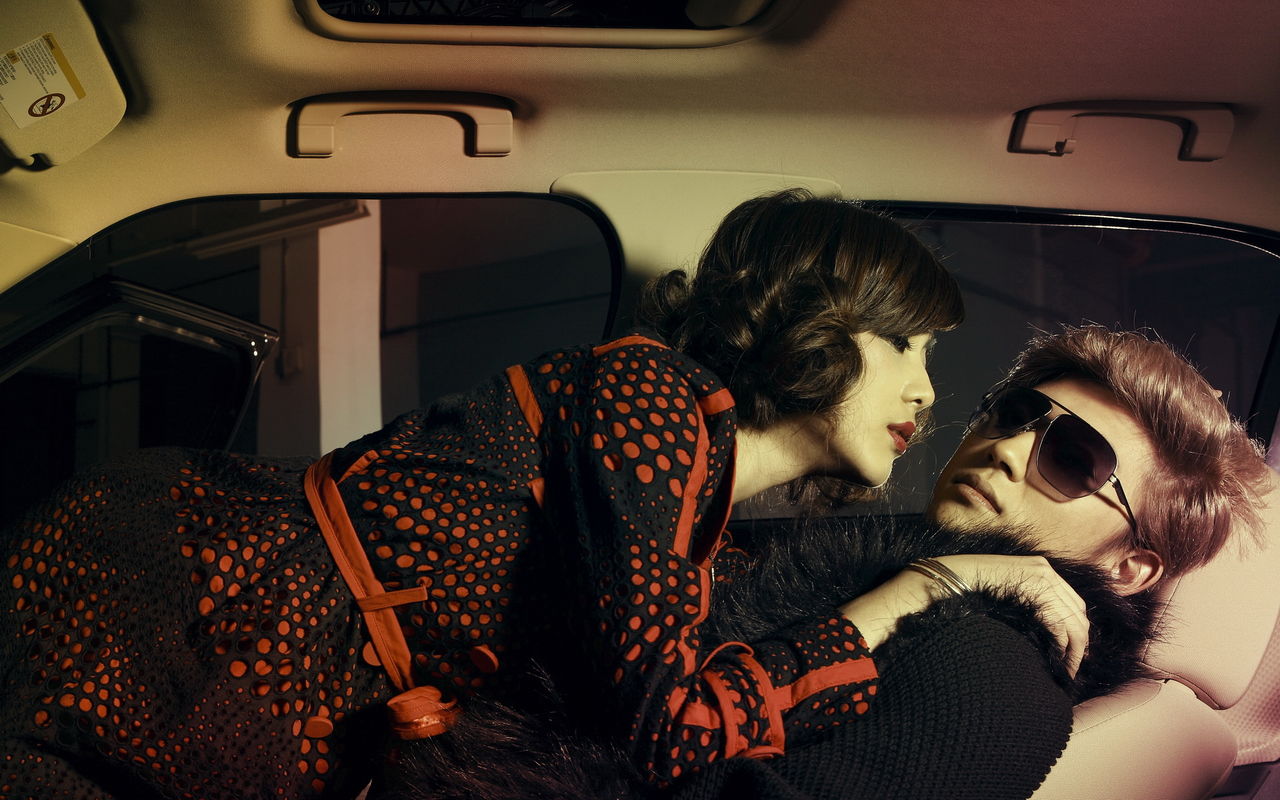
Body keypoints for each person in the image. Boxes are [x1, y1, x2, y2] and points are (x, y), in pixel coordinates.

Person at [0, 188, 988, 799]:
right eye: (904, 343)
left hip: (231, 680)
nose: (926, 391)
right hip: (164, 608)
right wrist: (907, 597)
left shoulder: (703, 508)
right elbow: (667, 726)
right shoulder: (649, 396)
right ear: (818, 319)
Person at [669, 325, 1273, 800]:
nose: (1006, 448)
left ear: (1129, 568)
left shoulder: (994, 678)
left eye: (1073, 460)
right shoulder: (888, 584)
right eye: (1014, 414)